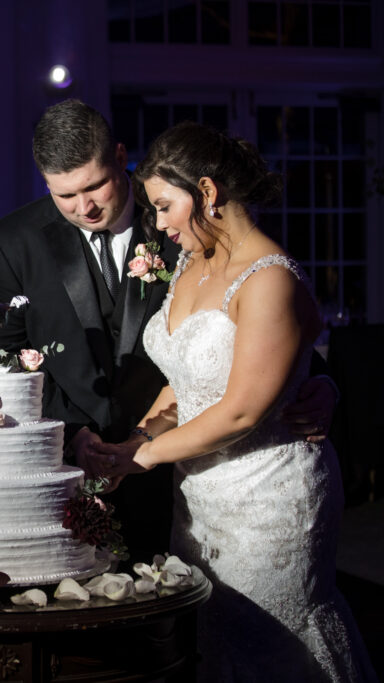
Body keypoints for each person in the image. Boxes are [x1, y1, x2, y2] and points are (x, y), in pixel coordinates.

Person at [0, 98, 336, 562]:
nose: (84, 207)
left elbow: (274, 321)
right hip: (68, 473)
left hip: (187, 478)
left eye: (96, 186)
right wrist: (75, 433)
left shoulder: (187, 224)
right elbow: (4, 362)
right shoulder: (12, 242)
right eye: (64, 195)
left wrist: (322, 382)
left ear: (120, 158)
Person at [93, 121, 377, 681]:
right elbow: (182, 378)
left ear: (207, 192)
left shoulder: (269, 278)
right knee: (216, 639)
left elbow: (243, 408)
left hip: (270, 497)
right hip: (200, 496)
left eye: (166, 206)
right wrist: (134, 442)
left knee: (271, 641)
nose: (160, 223)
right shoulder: (190, 263)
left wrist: (143, 459)